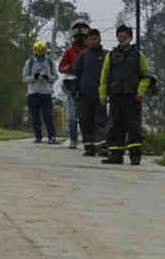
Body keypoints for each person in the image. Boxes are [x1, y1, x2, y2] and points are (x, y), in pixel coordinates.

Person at [98, 24, 152, 165]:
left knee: (133, 127)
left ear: (130, 37)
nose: (122, 39)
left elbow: (146, 75)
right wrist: (103, 95)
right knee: (115, 127)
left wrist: (141, 91)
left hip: (133, 97)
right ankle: (116, 155)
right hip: (115, 97)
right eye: (119, 36)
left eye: (124, 36)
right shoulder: (111, 55)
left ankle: (135, 156)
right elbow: (104, 77)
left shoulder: (138, 55)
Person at [71, 28, 108, 156]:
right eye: (90, 39)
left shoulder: (106, 55)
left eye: (95, 39)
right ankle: (89, 147)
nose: (92, 41)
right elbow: (76, 74)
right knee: (85, 121)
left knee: (100, 121)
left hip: (100, 94)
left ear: (99, 39)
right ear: (87, 41)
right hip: (84, 94)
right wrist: (75, 91)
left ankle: (102, 147)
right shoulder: (83, 55)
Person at [58, 19, 91, 148]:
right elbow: (61, 67)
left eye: (83, 29)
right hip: (72, 86)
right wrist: (71, 67)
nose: (80, 33)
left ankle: (87, 140)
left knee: (86, 116)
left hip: (87, 86)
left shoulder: (90, 50)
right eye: (77, 30)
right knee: (72, 116)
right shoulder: (69, 51)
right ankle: (73, 140)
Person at [23, 41, 59, 145]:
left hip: (46, 93)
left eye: (42, 53)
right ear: (34, 52)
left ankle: (52, 137)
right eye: (38, 53)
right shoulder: (29, 62)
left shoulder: (49, 62)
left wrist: (47, 78)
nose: (40, 55)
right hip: (33, 93)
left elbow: (55, 76)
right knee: (35, 116)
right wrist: (34, 77)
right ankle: (38, 137)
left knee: (48, 116)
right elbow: (24, 78)